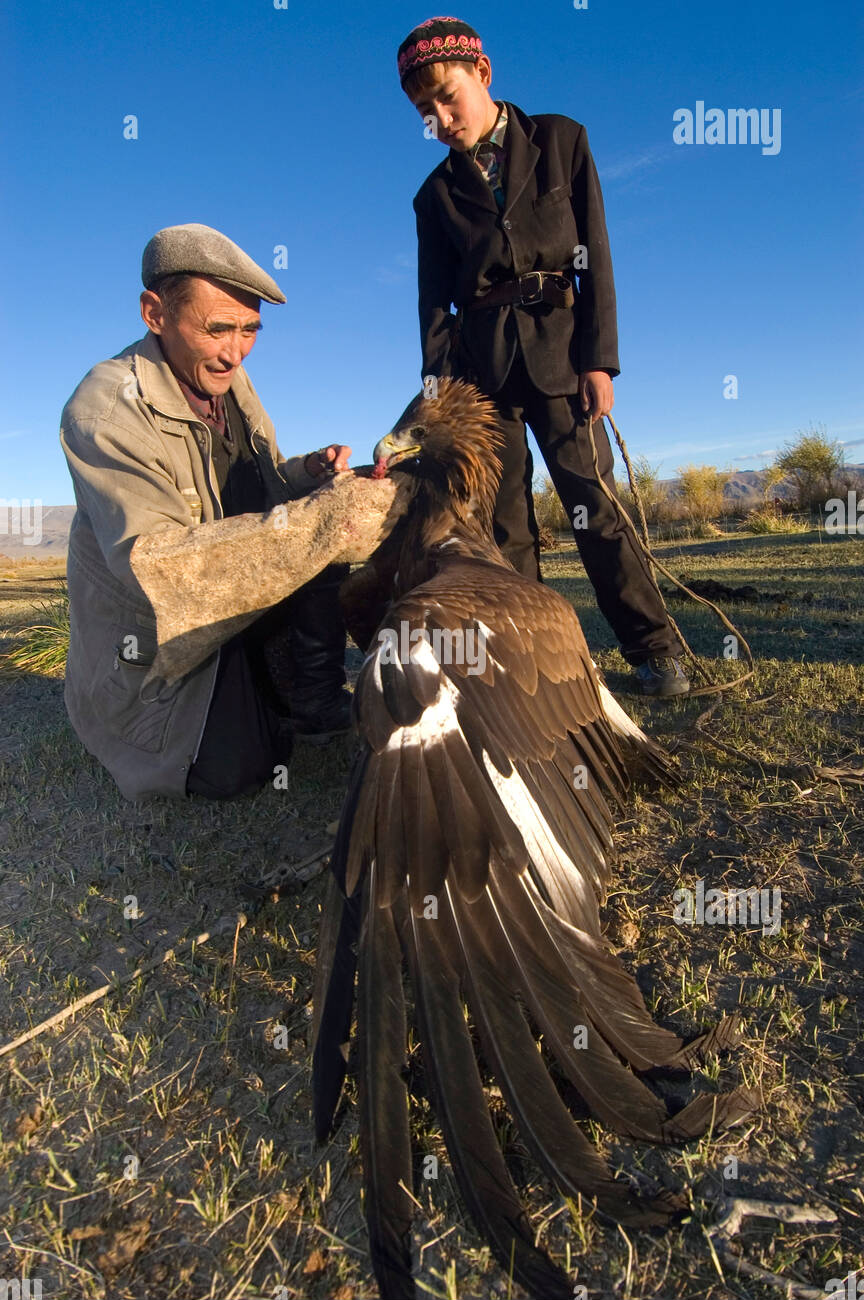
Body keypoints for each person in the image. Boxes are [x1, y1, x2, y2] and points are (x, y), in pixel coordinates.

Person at [60, 224, 409, 800]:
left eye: (251, 330)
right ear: (154, 313)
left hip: (233, 603)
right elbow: (159, 572)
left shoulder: (229, 382)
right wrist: (323, 522)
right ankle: (265, 693)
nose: (235, 351)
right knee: (239, 767)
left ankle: (311, 699)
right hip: (159, 644)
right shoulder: (104, 410)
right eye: (218, 328)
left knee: (314, 528)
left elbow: (260, 479)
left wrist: (307, 475)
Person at [398, 17, 689, 697]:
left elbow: (598, 259)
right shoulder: (433, 196)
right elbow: (433, 307)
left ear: (483, 73)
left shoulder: (561, 141)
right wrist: (443, 395)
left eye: (448, 98)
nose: (440, 119)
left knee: (593, 504)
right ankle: (533, 666)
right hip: (480, 376)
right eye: (424, 111)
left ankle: (655, 650)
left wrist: (599, 361)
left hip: (563, 355)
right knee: (504, 525)